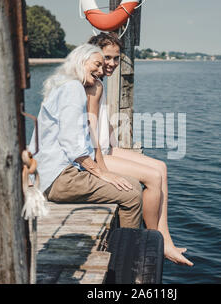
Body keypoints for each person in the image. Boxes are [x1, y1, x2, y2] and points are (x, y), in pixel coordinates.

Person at [86, 33, 193, 266]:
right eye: (107, 57)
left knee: (161, 167)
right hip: (95, 154)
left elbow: (104, 123)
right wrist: (102, 168)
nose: (112, 63)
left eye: (116, 58)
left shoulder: (99, 82)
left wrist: (117, 147)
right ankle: (151, 242)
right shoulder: (90, 84)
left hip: (106, 148)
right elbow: (90, 127)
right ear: (92, 56)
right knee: (153, 177)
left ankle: (165, 240)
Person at [28, 43, 144, 229]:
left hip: (49, 176)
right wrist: (101, 173)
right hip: (60, 179)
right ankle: (129, 253)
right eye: (96, 64)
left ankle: (124, 241)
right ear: (81, 61)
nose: (101, 70)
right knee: (132, 194)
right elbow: (72, 142)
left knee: (132, 185)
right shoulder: (73, 88)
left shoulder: (62, 84)